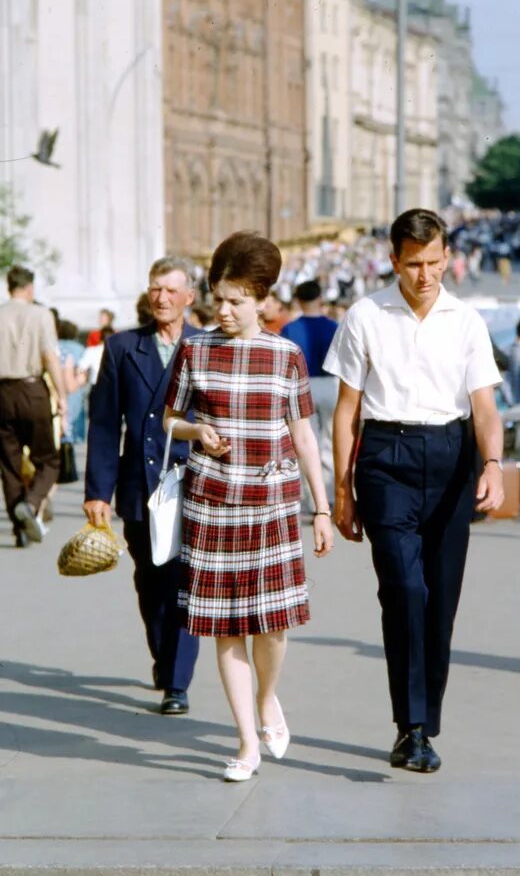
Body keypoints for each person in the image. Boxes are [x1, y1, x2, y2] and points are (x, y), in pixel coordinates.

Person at [324, 209, 504, 774]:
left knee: (440, 600)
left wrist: (493, 464)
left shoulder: (466, 321)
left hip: (451, 457)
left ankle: (426, 723)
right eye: (412, 264)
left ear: (447, 257)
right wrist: (342, 491)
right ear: (394, 261)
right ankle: (411, 727)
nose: (424, 275)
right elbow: (346, 411)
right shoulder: (365, 316)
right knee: (404, 591)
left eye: (433, 262)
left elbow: (485, 407)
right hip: (386, 458)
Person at [163, 232, 333, 783]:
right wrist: (197, 431)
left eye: (236, 300)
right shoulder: (195, 350)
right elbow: (169, 419)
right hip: (212, 503)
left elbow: (303, 437)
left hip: (273, 505)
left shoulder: (287, 356)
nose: (224, 310)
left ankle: (267, 698)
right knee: (224, 627)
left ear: (262, 299)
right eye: (219, 298)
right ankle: (245, 741)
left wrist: (322, 509)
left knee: (273, 625)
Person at [84, 257, 201, 714]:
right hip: (139, 485)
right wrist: (98, 491)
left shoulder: (205, 345)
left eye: (171, 290)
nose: (162, 298)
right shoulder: (121, 347)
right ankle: (163, 655)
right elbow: (104, 423)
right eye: (155, 288)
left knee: (184, 582)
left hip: (194, 483)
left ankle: (177, 681)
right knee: (150, 583)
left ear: (189, 297)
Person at [0, 265, 67, 548]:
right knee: (48, 459)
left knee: (9, 462)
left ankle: (20, 528)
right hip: (32, 389)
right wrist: (62, 396)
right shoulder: (41, 314)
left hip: (3, 392)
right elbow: (50, 357)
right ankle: (31, 503)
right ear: (29, 287)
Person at [281, 280, 338, 511]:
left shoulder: (290, 328)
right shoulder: (333, 326)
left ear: (298, 300)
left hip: (303, 385)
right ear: (320, 298)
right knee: (329, 440)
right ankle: (330, 494)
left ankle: (313, 499)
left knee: (307, 441)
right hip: (330, 383)